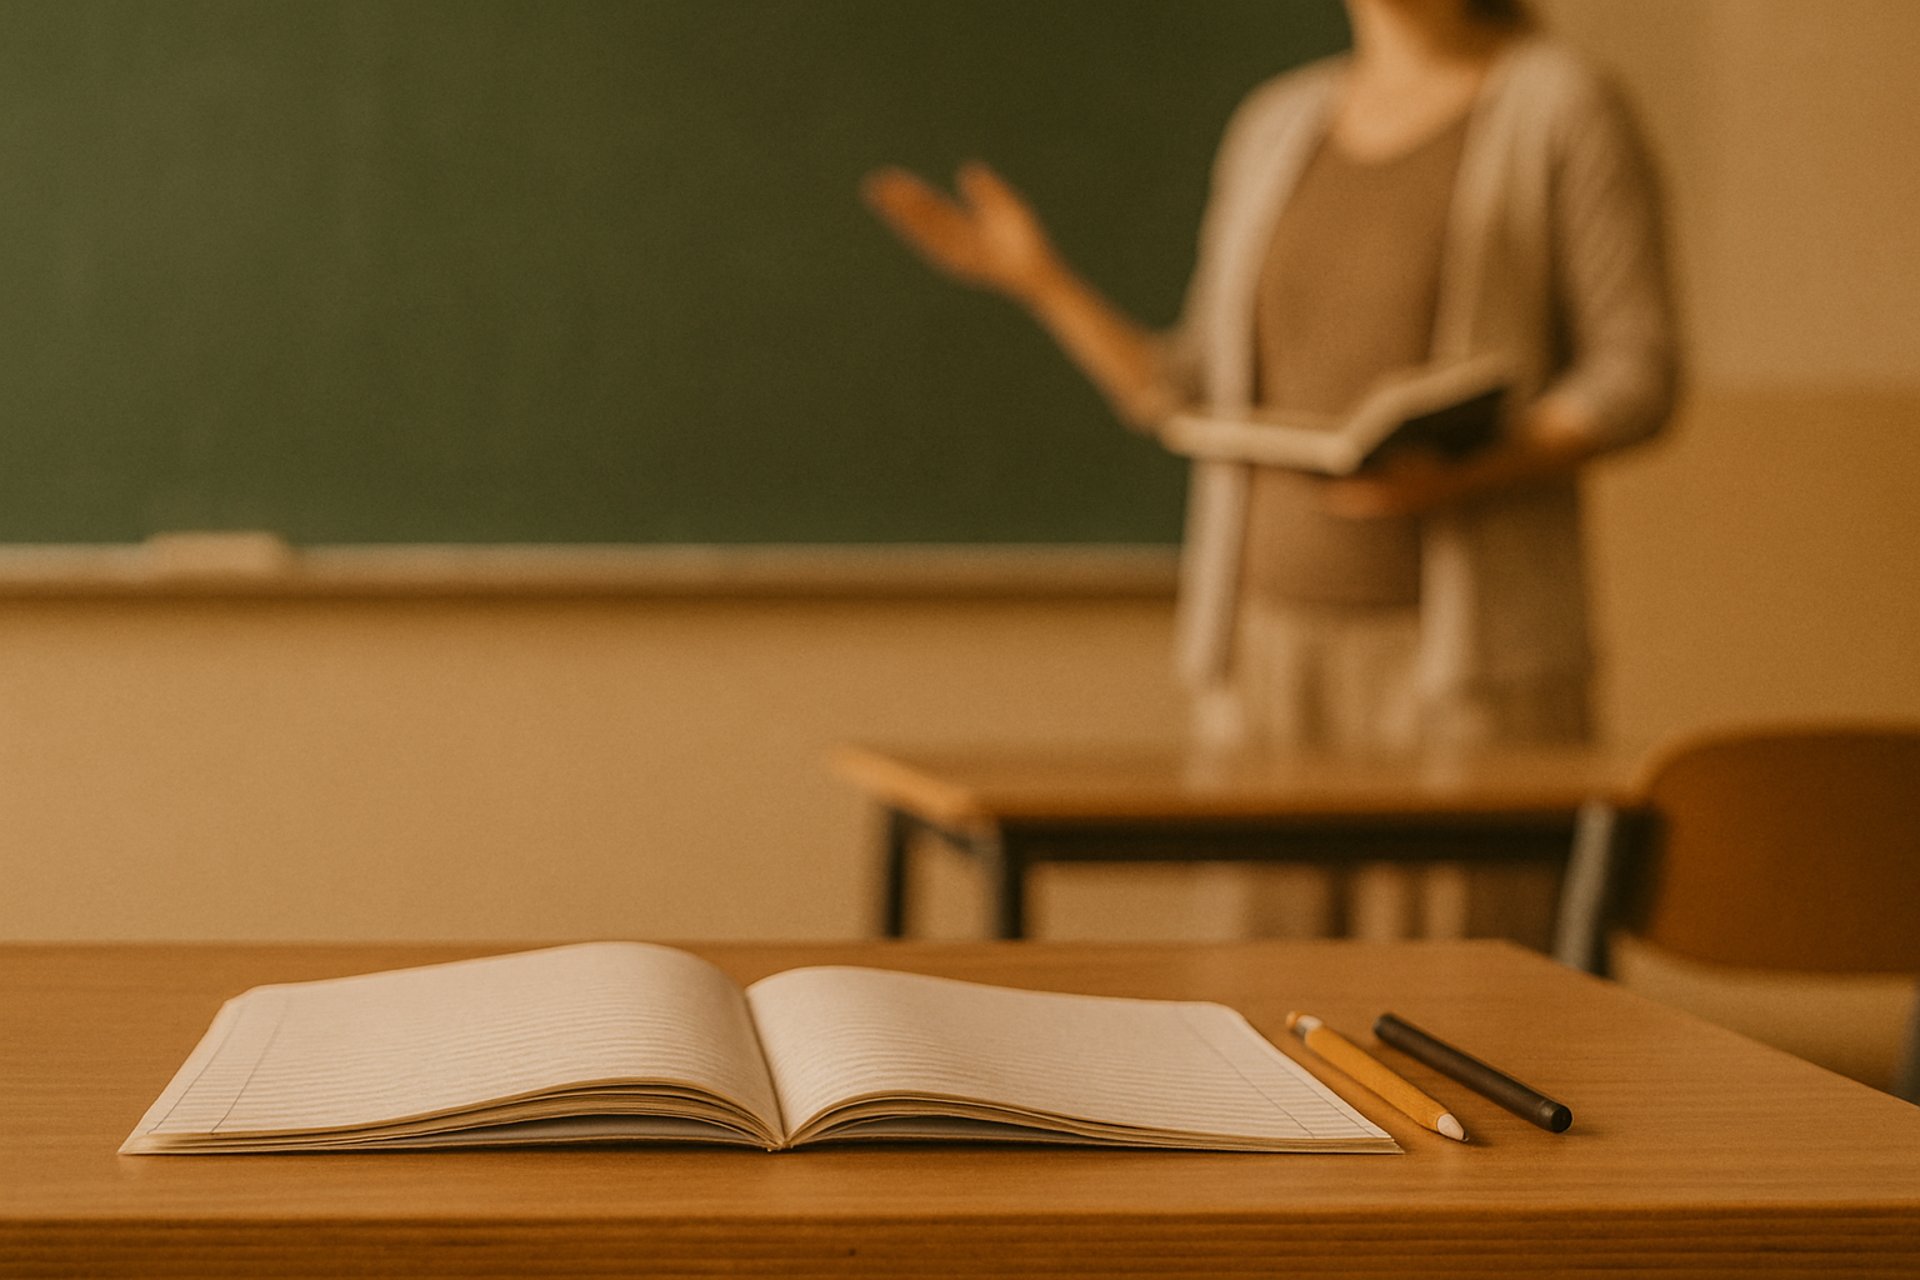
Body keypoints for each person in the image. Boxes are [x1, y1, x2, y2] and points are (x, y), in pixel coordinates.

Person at [863, 0, 1681, 944]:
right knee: (1269, 989)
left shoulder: (1560, 105)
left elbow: (1637, 370)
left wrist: (1468, 470)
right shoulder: (1276, 122)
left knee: (1462, 981)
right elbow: (1186, 389)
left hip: (1464, 669)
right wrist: (1040, 281)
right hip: (1264, 656)